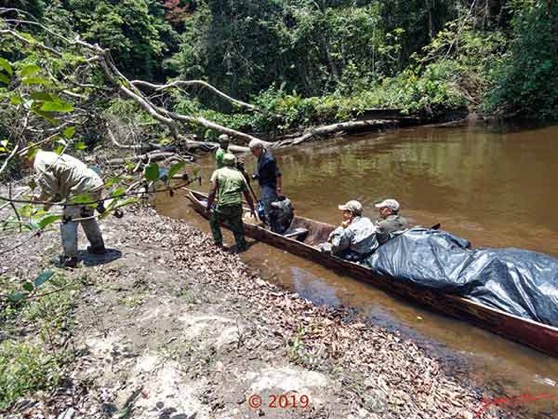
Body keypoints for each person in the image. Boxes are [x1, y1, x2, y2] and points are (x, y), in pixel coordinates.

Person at [28, 149, 106, 268]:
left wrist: (39, 199)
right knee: (87, 217)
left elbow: (50, 190)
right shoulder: (51, 155)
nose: (24, 165)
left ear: (27, 156)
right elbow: (58, 190)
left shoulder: (40, 162)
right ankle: (98, 247)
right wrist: (47, 204)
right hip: (94, 183)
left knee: (68, 221)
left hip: (81, 188)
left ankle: (69, 258)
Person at [206, 153, 256, 253]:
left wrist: (208, 206)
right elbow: (247, 193)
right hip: (237, 204)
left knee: (214, 221)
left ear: (223, 162)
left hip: (223, 205)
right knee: (237, 225)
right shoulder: (239, 174)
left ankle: (219, 243)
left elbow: (212, 191)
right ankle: (241, 246)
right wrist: (252, 208)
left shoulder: (217, 172)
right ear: (234, 163)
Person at [248, 139, 282, 231]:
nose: (252, 153)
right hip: (264, 184)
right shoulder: (261, 156)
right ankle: (272, 225)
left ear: (259, 148)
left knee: (269, 208)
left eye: (253, 151)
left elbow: (278, 174)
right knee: (265, 205)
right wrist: (257, 175)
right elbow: (264, 171)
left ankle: (272, 228)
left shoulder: (269, 159)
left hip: (269, 186)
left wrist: (279, 189)